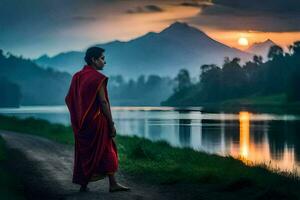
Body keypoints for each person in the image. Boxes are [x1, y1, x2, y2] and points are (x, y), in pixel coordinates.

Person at [65, 46, 130, 193]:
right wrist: (111, 123)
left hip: (82, 123)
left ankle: (83, 185)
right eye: (102, 58)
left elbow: (70, 99)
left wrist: (78, 117)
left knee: (85, 153)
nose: (104, 62)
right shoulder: (97, 78)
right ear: (94, 60)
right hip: (96, 122)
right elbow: (103, 102)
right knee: (107, 149)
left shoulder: (77, 76)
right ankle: (113, 184)